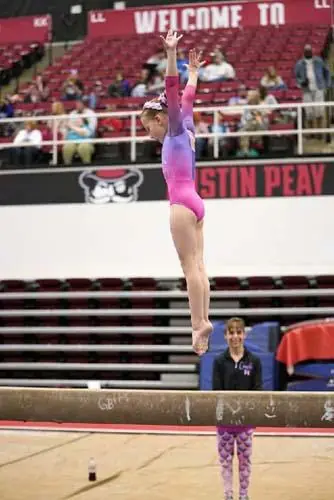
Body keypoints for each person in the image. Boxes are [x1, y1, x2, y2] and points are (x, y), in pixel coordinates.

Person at [140, 30, 212, 356]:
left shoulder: (174, 127)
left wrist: (171, 54)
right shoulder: (186, 126)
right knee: (199, 266)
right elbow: (187, 97)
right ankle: (203, 324)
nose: (148, 133)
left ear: (160, 118)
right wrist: (194, 73)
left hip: (181, 203)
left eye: (147, 126)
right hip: (196, 203)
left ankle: (198, 324)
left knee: (188, 269)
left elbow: (172, 89)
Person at [212, 317, 263, 500]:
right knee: (225, 462)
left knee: (244, 462)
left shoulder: (254, 361)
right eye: (231, 333)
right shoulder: (219, 361)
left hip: (245, 421)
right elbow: (216, 391)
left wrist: (246, 412)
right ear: (225, 336)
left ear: (244, 335)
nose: (235, 336)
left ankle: (243, 495)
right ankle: (228, 495)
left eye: (238, 332)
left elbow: (257, 391)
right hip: (225, 421)